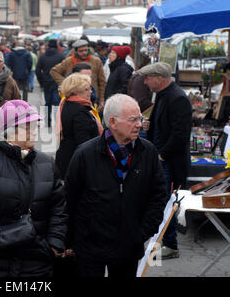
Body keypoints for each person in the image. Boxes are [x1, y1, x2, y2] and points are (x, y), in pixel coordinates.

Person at [0, 100, 67, 277]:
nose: (34, 130)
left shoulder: (46, 163)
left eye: (35, 125)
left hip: (36, 260)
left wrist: (54, 243)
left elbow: (59, 207)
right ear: (9, 131)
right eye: (28, 126)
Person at [64, 93, 167, 277]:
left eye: (140, 118)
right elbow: (69, 200)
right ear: (113, 122)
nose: (139, 124)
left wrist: (141, 232)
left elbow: (158, 195)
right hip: (90, 246)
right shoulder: (85, 154)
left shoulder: (148, 152)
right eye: (133, 119)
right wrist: (70, 241)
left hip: (129, 246)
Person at [139, 62, 193, 260]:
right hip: (163, 160)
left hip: (169, 162)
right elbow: (164, 126)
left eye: (147, 78)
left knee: (167, 203)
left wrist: (162, 155)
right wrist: (148, 126)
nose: (145, 82)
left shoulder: (177, 98)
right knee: (162, 202)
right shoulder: (163, 95)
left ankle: (170, 245)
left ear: (158, 78)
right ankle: (165, 242)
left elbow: (180, 134)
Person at [55, 73, 103, 180]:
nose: (91, 91)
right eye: (86, 89)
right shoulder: (80, 112)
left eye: (90, 88)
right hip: (76, 163)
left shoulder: (66, 103)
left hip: (67, 157)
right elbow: (84, 143)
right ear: (75, 91)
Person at [50, 39, 107, 110]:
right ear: (76, 51)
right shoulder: (69, 61)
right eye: (81, 51)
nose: (84, 53)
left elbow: (102, 82)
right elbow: (54, 71)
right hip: (73, 97)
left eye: (86, 50)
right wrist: (66, 83)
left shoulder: (96, 61)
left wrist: (102, 100)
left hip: (92, 98)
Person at [35, 39, 65, 127]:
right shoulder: (61, 56)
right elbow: (65, 70)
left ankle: (48, 121)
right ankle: (57, 122)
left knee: (47, 102)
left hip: (46, 82)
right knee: (56, 103)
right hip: (57, 83)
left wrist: (41, 81)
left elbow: (37, 70)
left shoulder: (43, 56)